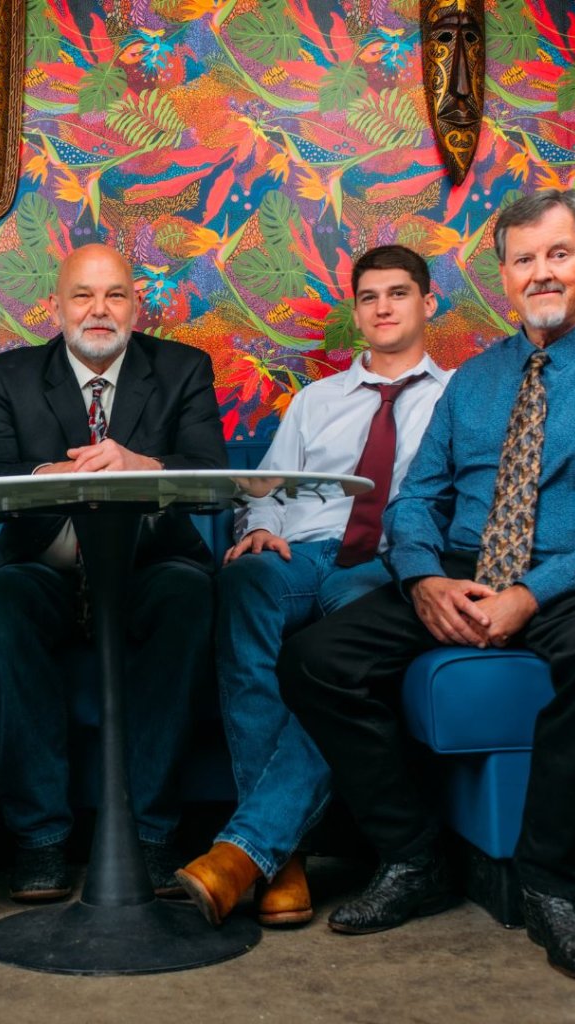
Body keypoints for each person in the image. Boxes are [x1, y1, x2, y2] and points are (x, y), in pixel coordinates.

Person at [278, 189, 575, 983]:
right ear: (504, 276)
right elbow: (417, 498)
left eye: (558, 254)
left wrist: (531, 593)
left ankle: (554, 882)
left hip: (572, 575)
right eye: (523, 260)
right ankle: (414, 857)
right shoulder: (475, 381)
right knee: (315, 660)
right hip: (457, 570)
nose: (541, 274)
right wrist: (422, 580)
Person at [176, 246, 452, 928]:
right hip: (301, 552)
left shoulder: (457, 400)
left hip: (386, 562)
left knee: (345, 651)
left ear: (428, 304)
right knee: (243, 584)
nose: (383, 307)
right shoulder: (314, 401)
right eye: (369, 297)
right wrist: (262, 526)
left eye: (398, 293)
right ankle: (283, 854)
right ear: (355, 311)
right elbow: (264, 488)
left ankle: (254, 851)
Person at [0, 243, 226, 901]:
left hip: (150, 567)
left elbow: (213, 476)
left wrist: (141, 464)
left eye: (115, 295)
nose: (99, 310)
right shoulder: (11, 376)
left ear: (137, 306)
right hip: (44, 572)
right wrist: (47, 473)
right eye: (83, 294)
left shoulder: (184, 369)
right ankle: (40, 842)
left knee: (188, 595)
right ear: (56, 306)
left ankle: (152, 833)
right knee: (1, 604)